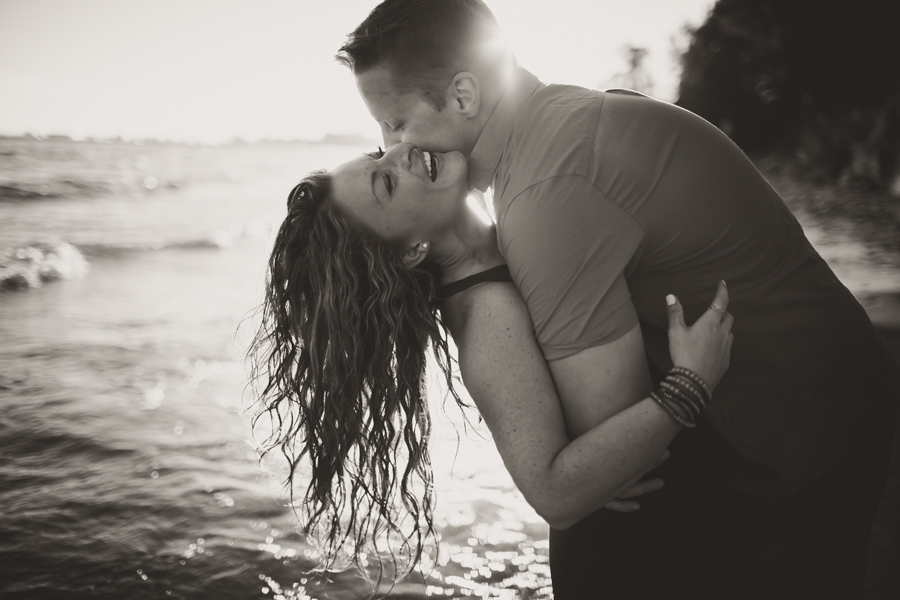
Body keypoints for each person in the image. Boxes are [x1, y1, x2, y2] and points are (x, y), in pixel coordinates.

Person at [335, 0, 900, 597]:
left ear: (464, 96)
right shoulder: (567, 118)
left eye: (395, 124)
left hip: (799, 442)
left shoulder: (547, 195)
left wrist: (621, 440)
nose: (393, 143)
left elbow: (619, 449)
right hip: (826, 394)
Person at [249, 149, 734, 591]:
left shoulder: (509, 241)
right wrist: (690, 384)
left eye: (382, 152)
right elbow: (553, 493)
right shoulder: (486, 315)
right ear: (412, 250)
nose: (402, 151)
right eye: (387, 182)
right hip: (630, 566)